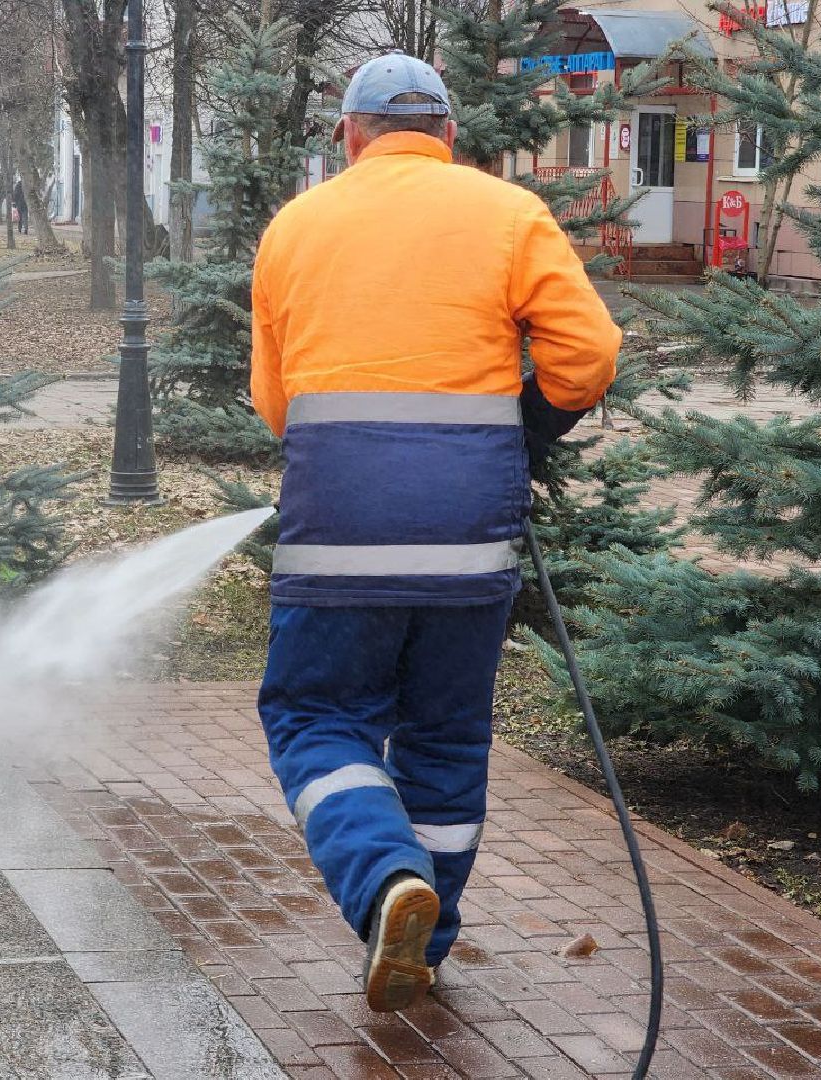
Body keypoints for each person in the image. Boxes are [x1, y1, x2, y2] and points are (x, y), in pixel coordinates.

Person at [250, 52, 621, 1013]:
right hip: (471, 538)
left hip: (338, 530)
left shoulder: (296, 226)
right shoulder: (508, 215)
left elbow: (275, 408)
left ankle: (383, 884)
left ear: (350, 137)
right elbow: (589, 355)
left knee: (313, 717)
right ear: (450, 136)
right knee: (448, 739)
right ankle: (422, 938)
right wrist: (527, 422)